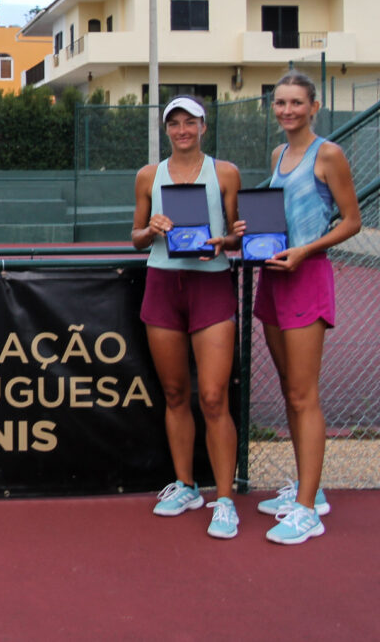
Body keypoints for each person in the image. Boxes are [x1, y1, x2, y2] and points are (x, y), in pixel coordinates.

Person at [248, 72, 361, 545]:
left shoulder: (329, 154)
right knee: (289, 388)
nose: (287, 110)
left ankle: (308, 507)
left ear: (314, 107)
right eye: (280, 103)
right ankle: (306, 490)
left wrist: (306, 250)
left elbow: (352, 222)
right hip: (273, 278)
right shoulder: (278, 155)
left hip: (306, 277)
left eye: (296, 103)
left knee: (303, 395)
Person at [132, 95, 244, 539]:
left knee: (214, 397)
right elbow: (136, 239)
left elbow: (236, 237)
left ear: (203, 126)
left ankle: (225, 499)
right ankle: (185, 486)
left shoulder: (226, 173)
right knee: (176, 393)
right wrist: (152, 228)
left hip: (211, 286)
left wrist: (227, 240)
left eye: (189, 122)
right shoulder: (148, 176)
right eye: (174, 123)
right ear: (167, 130)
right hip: (162, 287)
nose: (182, 130)